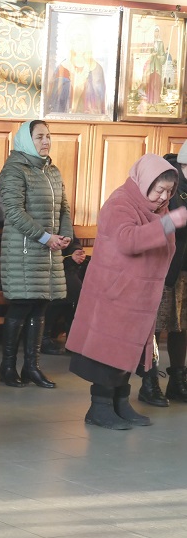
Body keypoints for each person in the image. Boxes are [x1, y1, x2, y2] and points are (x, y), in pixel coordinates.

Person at [67, 155, 187, 429]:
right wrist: (169, 223)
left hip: (141, 295)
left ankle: (120, 402)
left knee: (128, 353)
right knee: (108, 352)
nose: (164, 197)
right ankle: (99, 408)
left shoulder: (158, 208)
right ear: (145, 182)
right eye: (160, 190)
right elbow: (128, 241)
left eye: (169, 191)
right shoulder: (120, 203)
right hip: (115, 293)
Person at [0, 120, 73, 388]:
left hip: (48, 251)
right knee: (21, 306)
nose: (46, 141)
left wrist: (65, 235)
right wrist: (44, 237)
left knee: (40, 307)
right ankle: (7, 367)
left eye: (48, 136)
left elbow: (64, 207)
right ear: (26, 140)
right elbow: (14, 211)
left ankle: (32, 367)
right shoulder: (14, 169)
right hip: (24, 251)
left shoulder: (52, 170)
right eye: (40, 137)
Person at [141, 142, 187, 407]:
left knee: (182, 326)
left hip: (185, 269)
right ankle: (149, 382)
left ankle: (177, 380)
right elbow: (159, 225)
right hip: (166, 266)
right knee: (155, 326)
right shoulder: (167, 183)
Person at [41, 240, 87, 355]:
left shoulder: (64, 227)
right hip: (44, 264)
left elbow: (73, 240)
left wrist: (75, 251)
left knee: (75, 287)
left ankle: (72, 339)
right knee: (67, 286)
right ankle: (43, 337)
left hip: (65, 265)